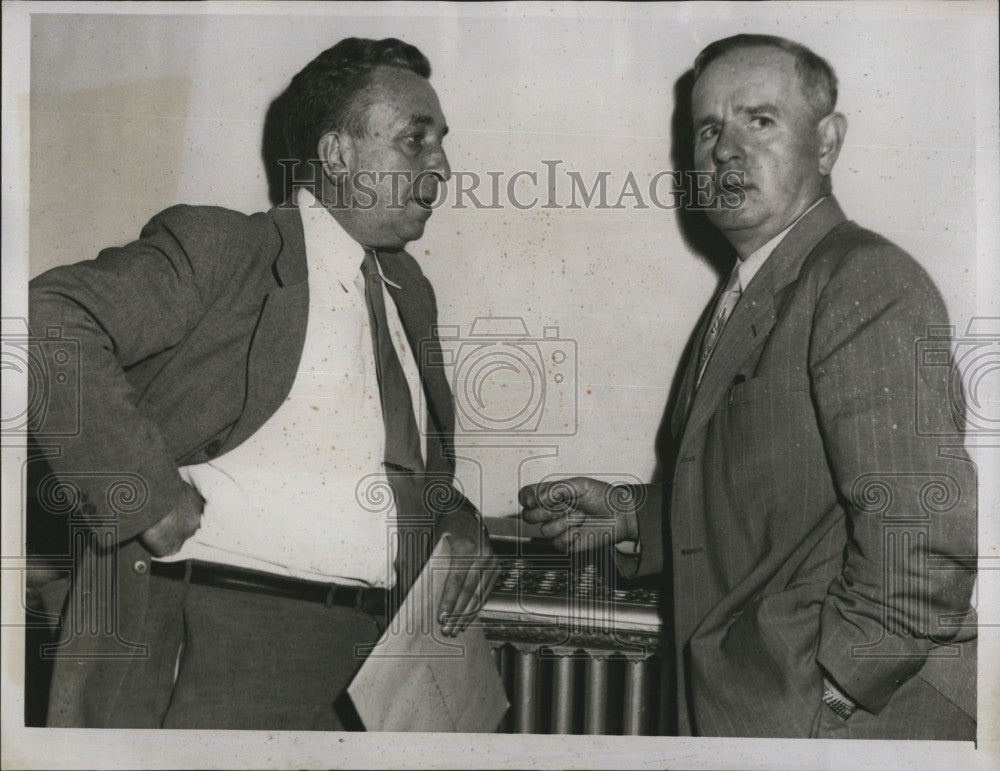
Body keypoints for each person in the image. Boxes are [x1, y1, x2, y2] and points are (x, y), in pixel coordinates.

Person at [29, 37, 497, 729]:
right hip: (221, 645)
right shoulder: (228, 251)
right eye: (413, 141)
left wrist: (461, 529)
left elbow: (398, 470)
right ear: (337, 154)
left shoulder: (408, 292)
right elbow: (47, 318)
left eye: (441, 142)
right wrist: (142, 491)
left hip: (374, 670)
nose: (443, 167)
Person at [520, 34, 977, 739]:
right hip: (757, 705)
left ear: (827, 143)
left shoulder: (863, 279)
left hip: (824, 719)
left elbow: (922, 528)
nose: (725, 149)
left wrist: (837, 688)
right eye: (709, 128)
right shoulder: (751, 290)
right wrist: (637, 513)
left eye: (759, 120)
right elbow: (776, 503)